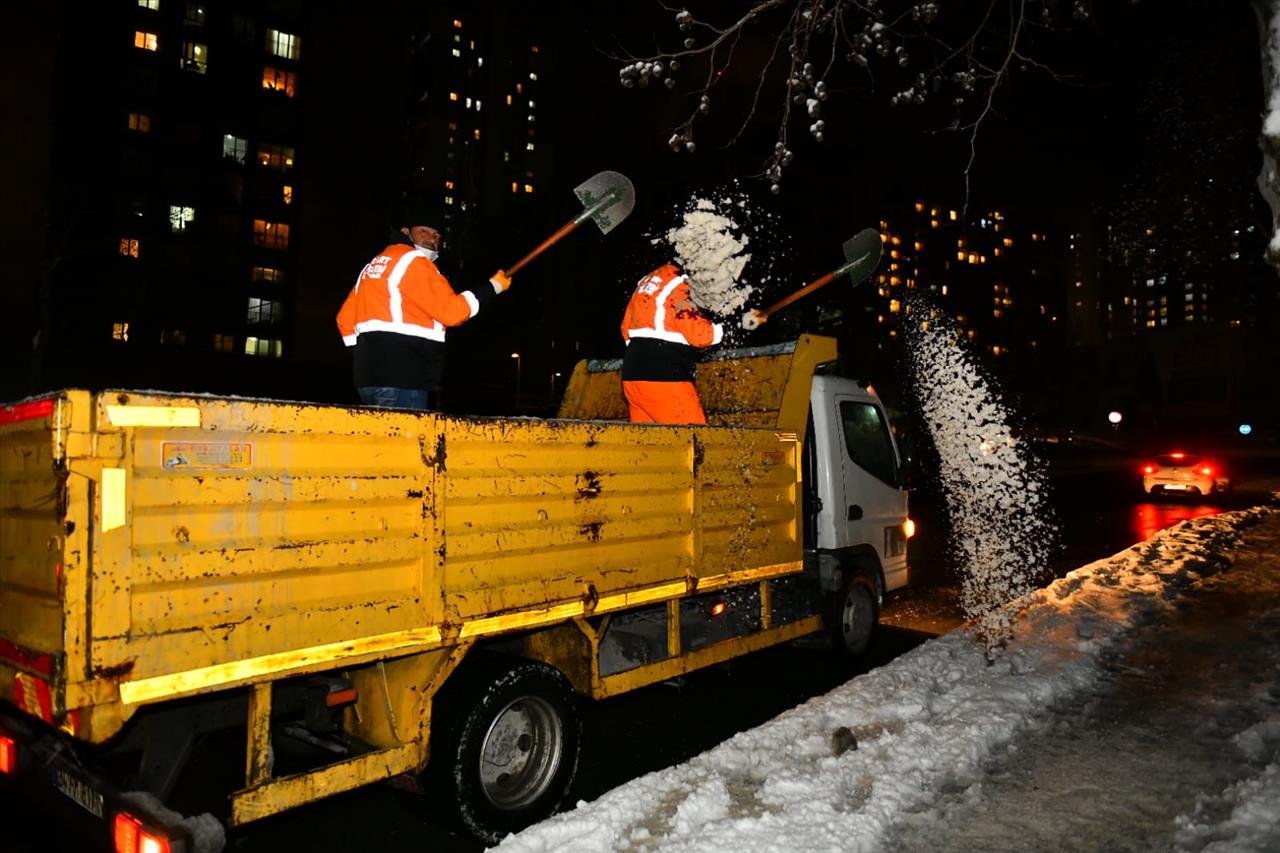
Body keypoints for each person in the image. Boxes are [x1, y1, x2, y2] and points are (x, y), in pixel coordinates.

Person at [337, 209, 511, 410]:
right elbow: (452, 312)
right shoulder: (414, 262)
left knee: (383, 441)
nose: (431, 239)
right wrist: (492, 287)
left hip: (368, 381)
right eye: (424, 231)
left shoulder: (375, 265)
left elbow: (344, 319)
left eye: (436, 235)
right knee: (406, 441)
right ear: (406, 231)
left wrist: (366, 357)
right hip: (403, 379)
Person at [620, 262, 724, 424]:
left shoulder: (651, 278)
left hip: (632, 375)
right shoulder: (682, 283)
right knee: (693, 441)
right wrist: (737, 324)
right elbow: (701, 336)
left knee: (652, 445)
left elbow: (626, 327)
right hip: (664, 378)